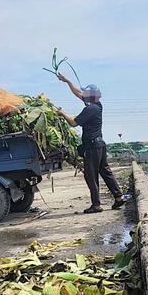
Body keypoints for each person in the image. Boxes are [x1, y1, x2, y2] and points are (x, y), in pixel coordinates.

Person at [56, 73, 126, 213]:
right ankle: (119, 197)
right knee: (105, 172)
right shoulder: (97, 105)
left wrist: (62, 114)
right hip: (100, 145)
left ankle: (96, 205)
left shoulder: (90, 109)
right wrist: (67, 81)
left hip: (92, 147)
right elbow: (78, 93)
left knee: (91, 176)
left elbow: (74, 123)